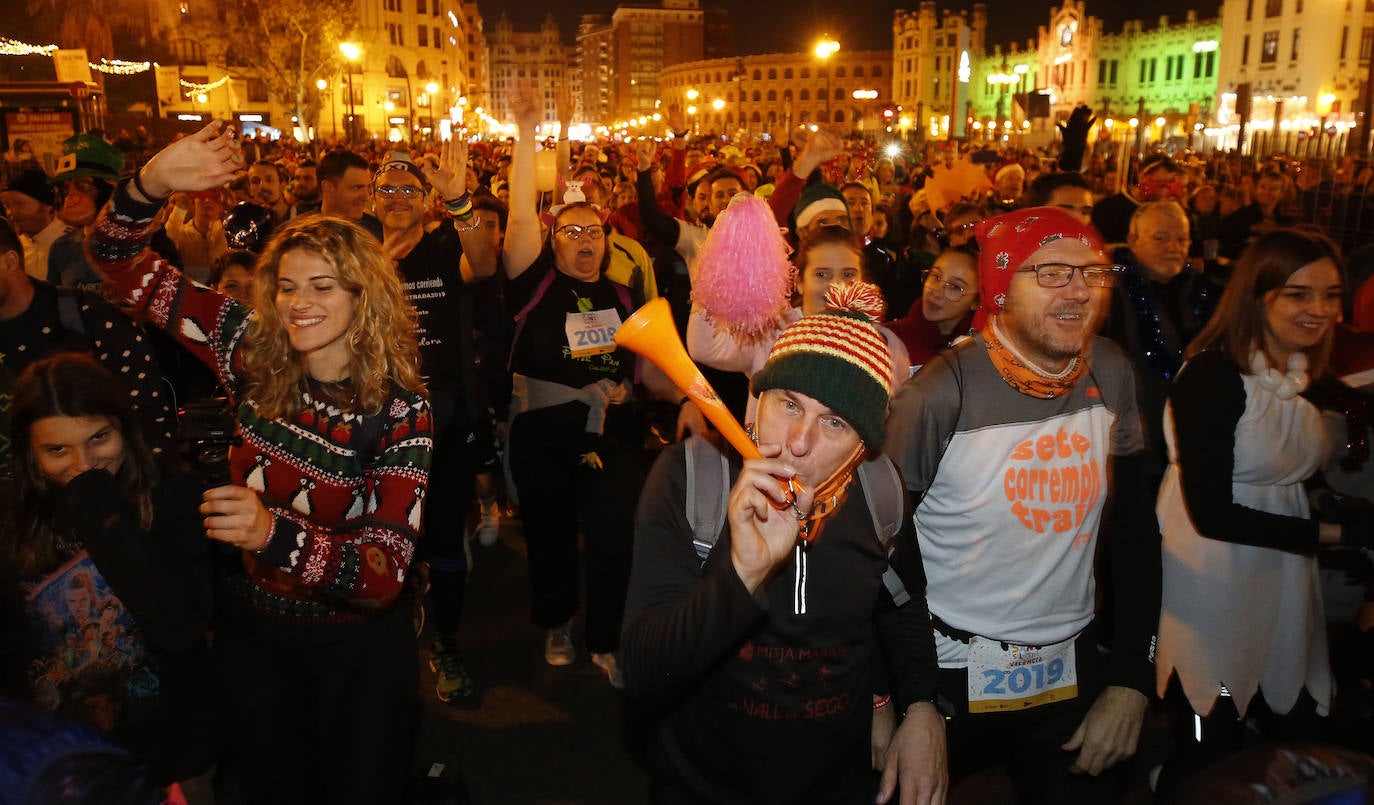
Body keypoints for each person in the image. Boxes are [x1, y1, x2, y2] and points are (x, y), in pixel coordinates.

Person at [86, 122, 433, 805]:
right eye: (286, 286)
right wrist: (149, 184)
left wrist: (271, 532)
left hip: (358, 655)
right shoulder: (244, 343)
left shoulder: (402, 409)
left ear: (366, 297)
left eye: (323, 286)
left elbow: (384, 572)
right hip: (255, 635)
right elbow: (113, 258)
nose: (298, 304)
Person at [622, 291, 948, 805]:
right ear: (759, 398)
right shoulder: (690, 480)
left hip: (836, 785)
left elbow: (902, 606)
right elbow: (642, 671)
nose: (797, 441)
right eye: (788, 403)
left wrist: (921, 706)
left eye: (834, 422)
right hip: (702, 786)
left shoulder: (880, 492)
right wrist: (743, 575)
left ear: (863, 445)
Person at [883, 207, 1162, 803]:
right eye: (1052, 273)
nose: (1079, 290)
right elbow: (884, 553)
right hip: (949, 669)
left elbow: (1138, 533)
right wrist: (906, 700)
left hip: (1070, 665)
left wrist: (1132, 679)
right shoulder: (938, 394)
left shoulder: (1111, 370)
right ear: (1002, 290)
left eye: (1091, 272)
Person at [1153, 228, 1367, 795]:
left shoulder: (1295, 374)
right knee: (1209, 739)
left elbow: (1289, 476)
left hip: (1282, 575)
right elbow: (1213, 514)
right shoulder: (1213, 377)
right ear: (1258, 294)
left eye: (1330, 294)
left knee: (1295, 728)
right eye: (1298, 294)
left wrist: (1343, 513)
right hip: (1213, 581)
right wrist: (1338, 532)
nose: (1319, 309)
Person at [1, 353, 217, 801]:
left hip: (170, 761)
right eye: (57, 450)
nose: (83, 464)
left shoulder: (175, 500)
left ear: (125, 429)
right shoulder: (10, 522)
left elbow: (178, 629)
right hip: (64, 766)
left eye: (99, 438)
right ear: (29, 451)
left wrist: (98, 508)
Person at [503, 87, 661, 686]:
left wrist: (631, 389)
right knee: (548, 537)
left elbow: (644, 360)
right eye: (571, 233)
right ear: (552, 241)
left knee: (614, 539)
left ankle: (606, 638)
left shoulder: (622, 293)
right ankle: (557, 623)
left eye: (593, 230)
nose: (585, 240)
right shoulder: (532, 282)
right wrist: (526, 134)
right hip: (544, 437)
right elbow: (520, 215)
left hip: (612, 437)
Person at [376, 145, 497, 705]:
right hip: (375, 422)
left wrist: (458, 199)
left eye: (409, 190)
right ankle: (384, 637)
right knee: (381, 533)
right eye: (387, 190)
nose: (399, 198)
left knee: (444, 533)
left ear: (425, 201)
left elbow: (486, 261)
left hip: (445, 418)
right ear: (374, 201)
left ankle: (445, 642)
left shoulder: (447, 245)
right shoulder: (358, 254)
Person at [1102, 200, 1218, 483]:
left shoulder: (1203, 291)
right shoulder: (1107, 292)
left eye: (1182, 239)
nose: (1173, 247)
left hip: (1191, 433)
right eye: (1161, 238)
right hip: (1131, 440)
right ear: (1133, 240)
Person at [886, 245, 980, 375]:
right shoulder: (887, 340)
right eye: (936, 277)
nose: (936, 292)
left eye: (955, 287)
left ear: (976, 301)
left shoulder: (978, 351)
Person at [1, 168, 66, 280]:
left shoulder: (69, 243)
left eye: (20, 204)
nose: (11, 213)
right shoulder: (15, 245)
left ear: (47, 206)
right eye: (7, 206)